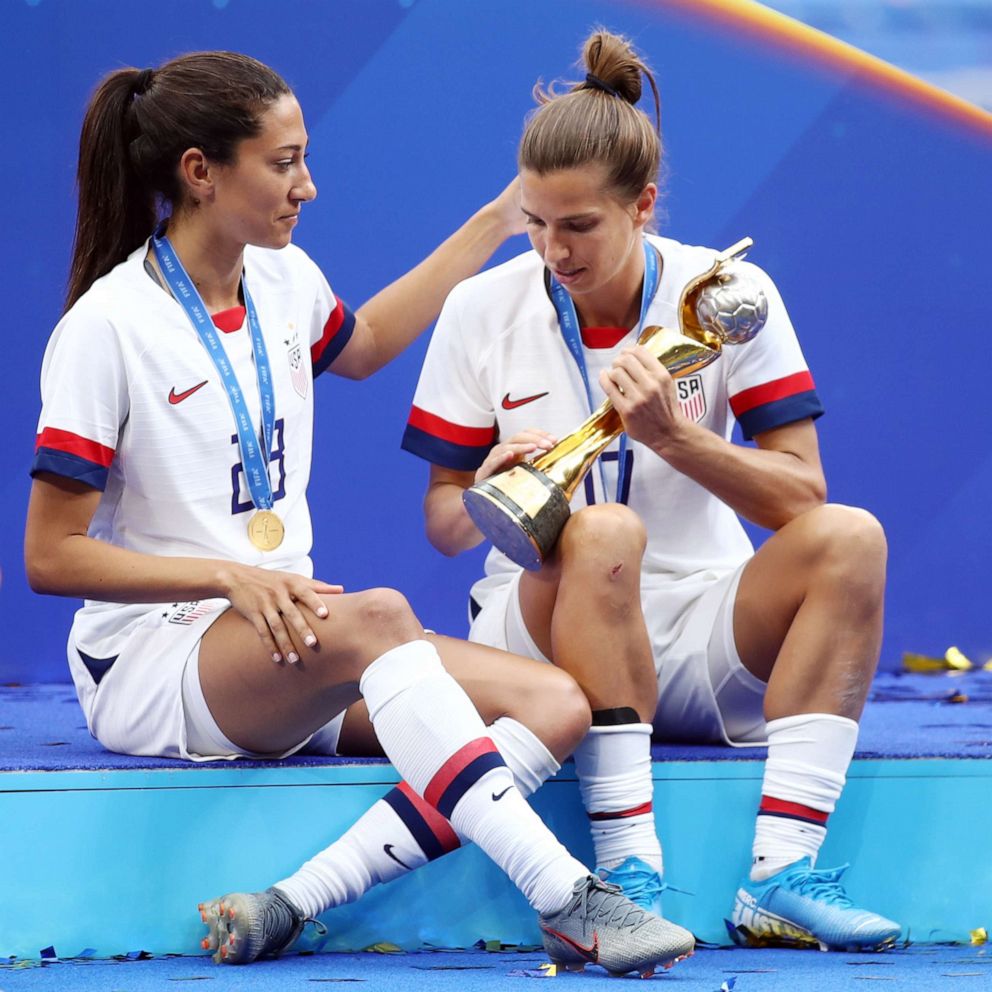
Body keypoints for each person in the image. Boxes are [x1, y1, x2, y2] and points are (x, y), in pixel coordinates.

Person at [23, 51, 695, 977]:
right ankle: (569, 900)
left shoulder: (284, 278)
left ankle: (294, 901)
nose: (308, 184)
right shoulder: (107, 326)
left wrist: (500, 221)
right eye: (284, 161)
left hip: (286, 637)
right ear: (200, 173)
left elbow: (367, 342)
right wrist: (227, 573)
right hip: (156, 655)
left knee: (555, 702)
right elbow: (50, 557)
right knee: (379, 618)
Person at [399, 30, 902, 952]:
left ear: (644, 208)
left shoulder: (729, 293)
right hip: (546, 634)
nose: (556, 249)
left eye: (580, 225)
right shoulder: (480, 309)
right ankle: (628, 873)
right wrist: (488, 486)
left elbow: (804, 495)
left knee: (853, 537)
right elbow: (440, 524)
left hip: (706, 637)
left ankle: (781, 876)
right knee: (601, 532)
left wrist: (677, 436)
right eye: (537, 223)